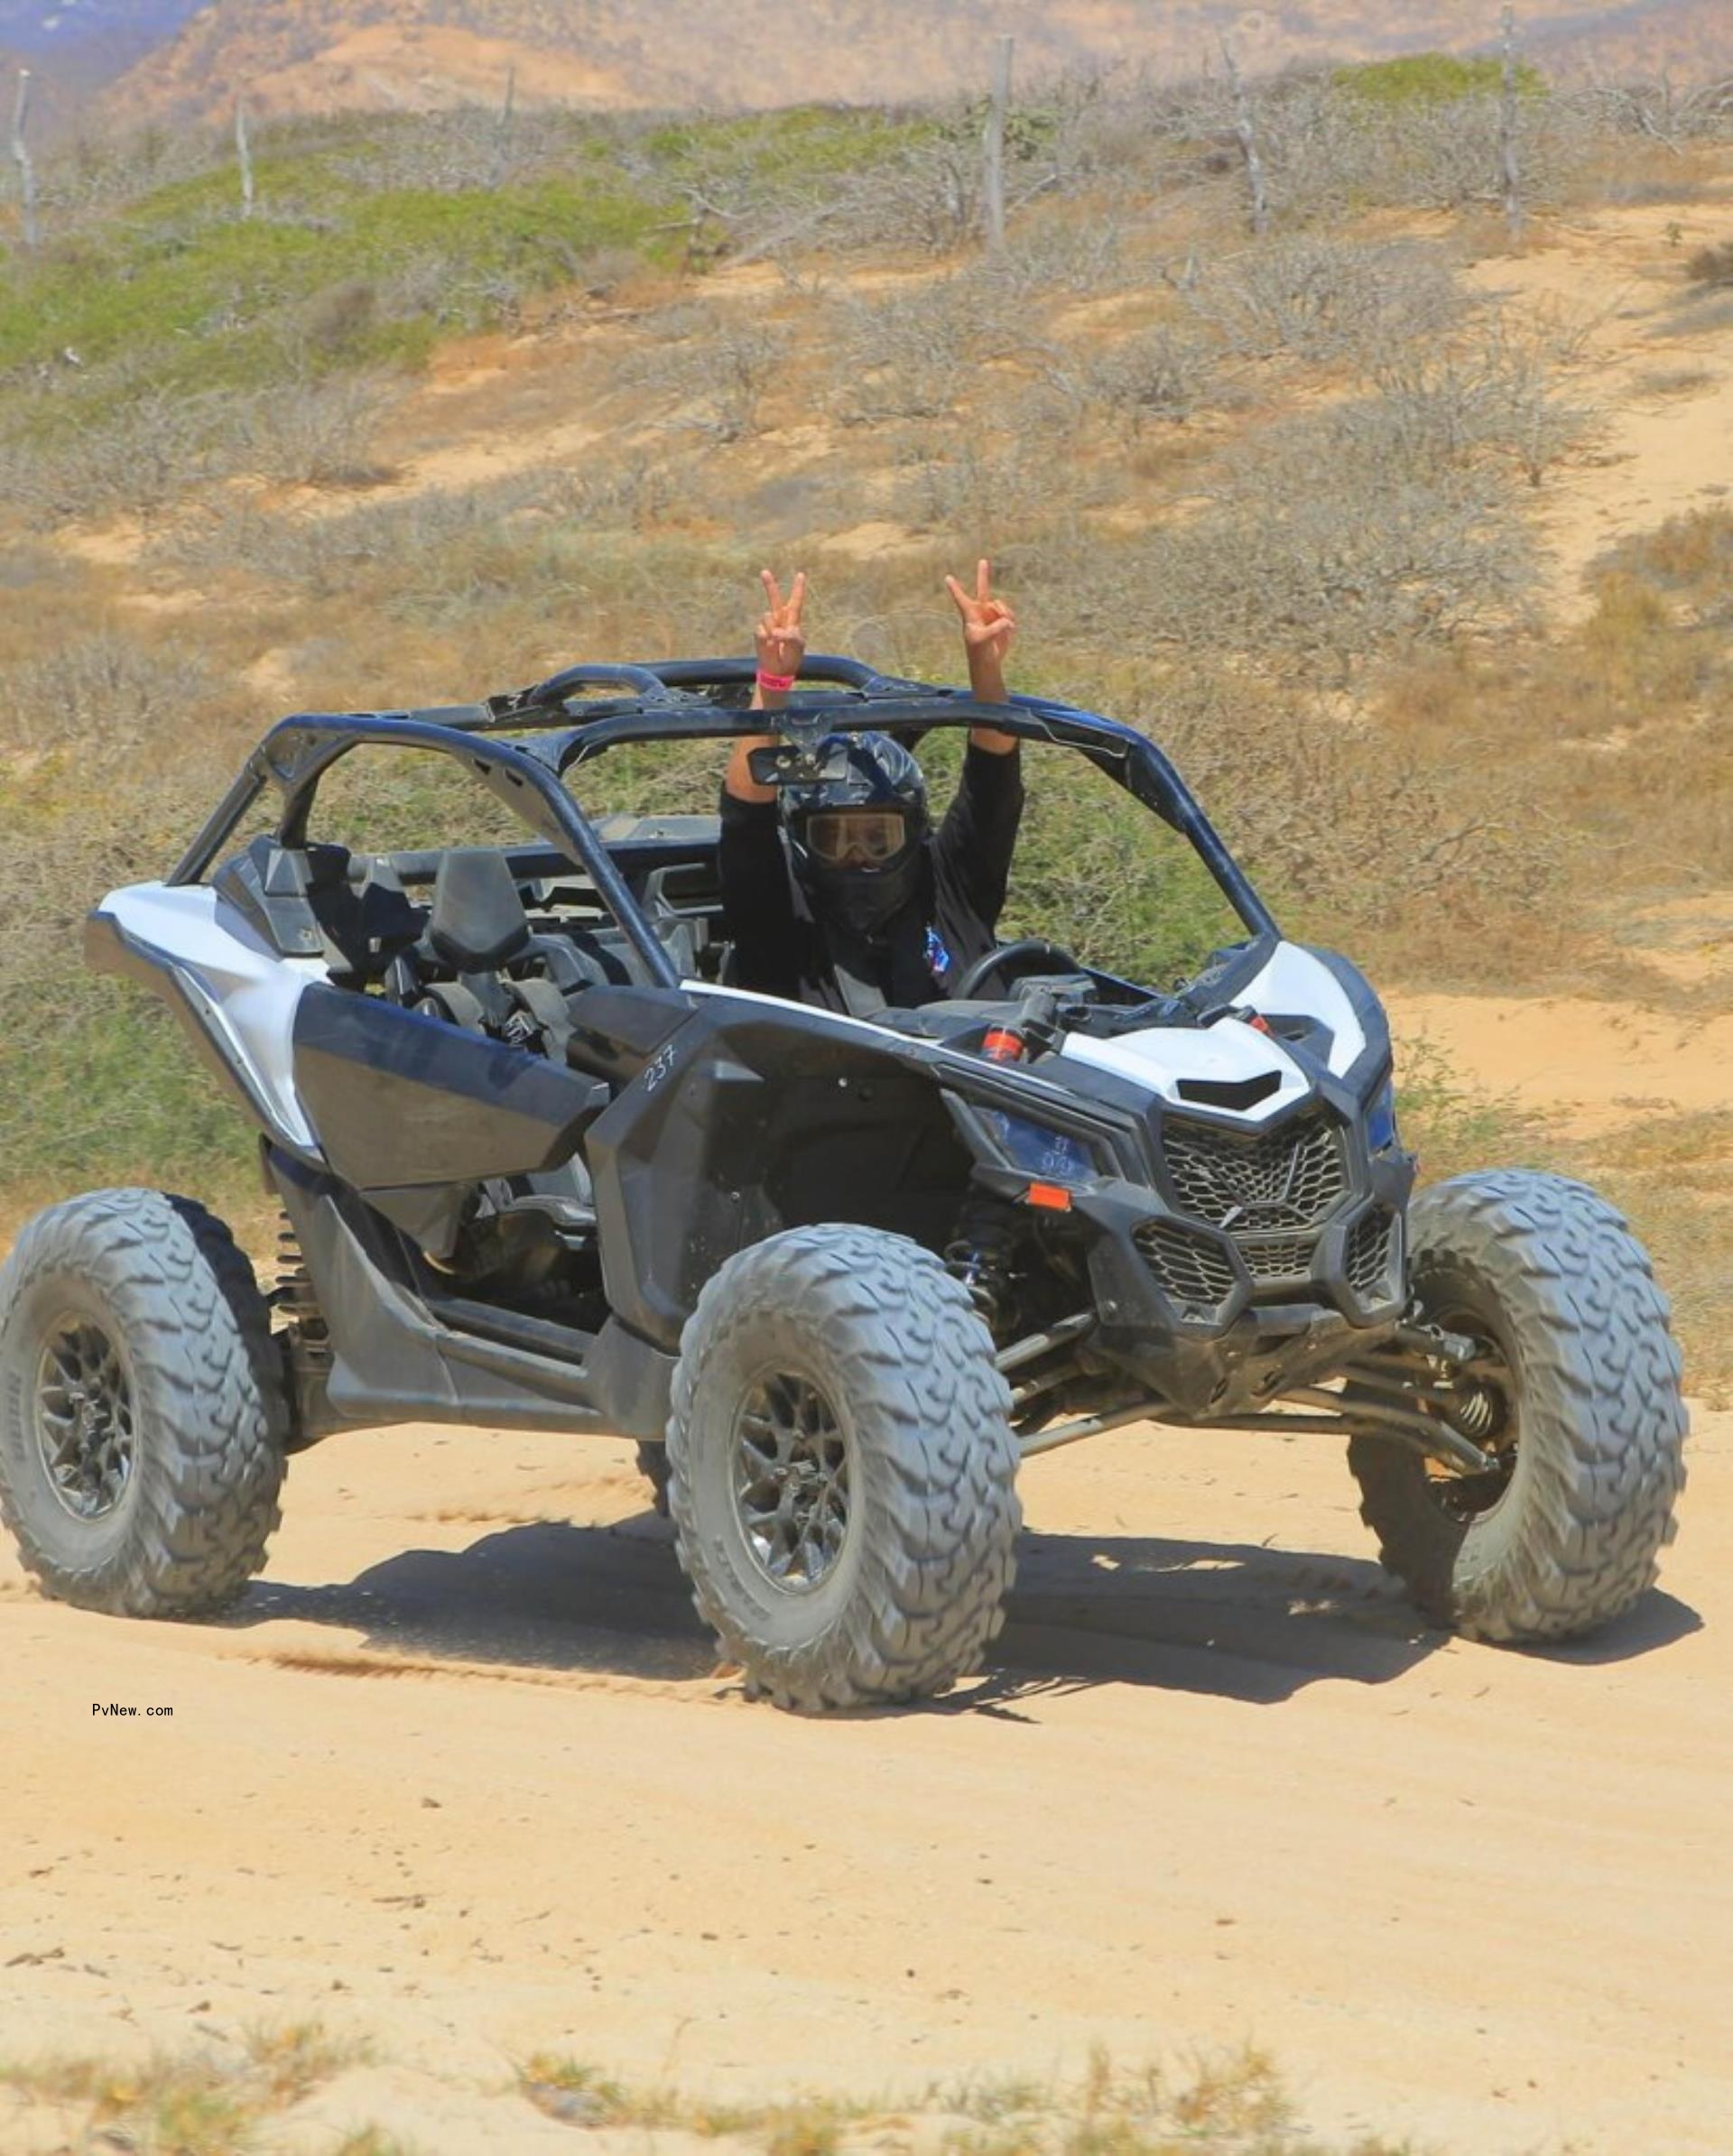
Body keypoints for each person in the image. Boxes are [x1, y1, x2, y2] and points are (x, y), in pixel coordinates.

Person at [718, 562, 1025, 1014]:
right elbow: (746, 816)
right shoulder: (782, 920)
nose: (858, 855)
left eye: (879, 837)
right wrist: (773, 685)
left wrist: (984, 664)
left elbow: (993, 781)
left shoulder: (950, 893)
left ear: (913, 832)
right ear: (803, 842)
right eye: (833, 839)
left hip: (987, 1081)